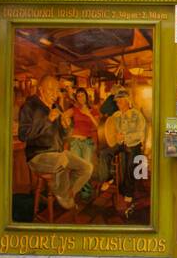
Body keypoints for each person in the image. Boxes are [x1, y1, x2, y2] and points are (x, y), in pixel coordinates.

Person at [17, 75, 93, 212]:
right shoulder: (29, 106)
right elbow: (23, 135)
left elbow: (63, 136)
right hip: (37, 157)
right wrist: (48, 120)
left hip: (57, 153)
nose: (54, 94)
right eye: (50, 90)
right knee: (62, 159)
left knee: (87, 167)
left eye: (56, 90)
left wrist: (66, 127)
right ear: (40, 89)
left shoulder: (57, 106)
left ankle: (67, 194)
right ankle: (64, 196)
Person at [103, 86, 151, 218]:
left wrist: (125, 137)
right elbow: (105, 111)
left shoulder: (137, 114)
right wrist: (117, 137)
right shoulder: (116, 115)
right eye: (117, 102)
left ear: (127, 101)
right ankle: (109, 177)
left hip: (133, 143)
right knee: (105, 153)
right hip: (120, 144)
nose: (119, 104)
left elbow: (140, 134)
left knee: (130, 163)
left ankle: (128, 192)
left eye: (121, 101)